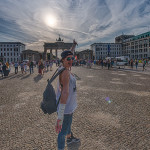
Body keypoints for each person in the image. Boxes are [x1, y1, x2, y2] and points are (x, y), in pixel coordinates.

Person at [55, 40, 80, 150]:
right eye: (68, 59)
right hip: (66, 109)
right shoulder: (65, 73)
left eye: (72, 58)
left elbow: (69, 53)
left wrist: (73, 46)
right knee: (62, 132)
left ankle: (70, 138)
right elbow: (65, 93)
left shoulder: (63, 67)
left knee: (67, 125)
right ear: (63, 60)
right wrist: (60, 117)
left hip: (69, 107)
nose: (71, 60)